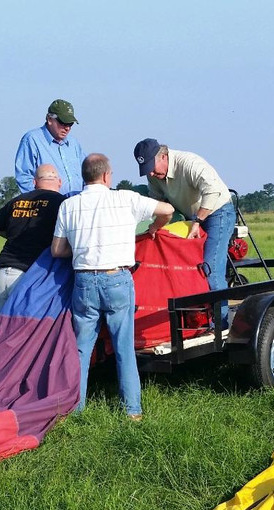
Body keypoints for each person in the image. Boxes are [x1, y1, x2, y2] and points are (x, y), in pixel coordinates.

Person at [51, 153, 173, 420]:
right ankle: (132, 411)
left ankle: (75, 410)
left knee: (82, 349)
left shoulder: (68, 206)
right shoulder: (125, 198)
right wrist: (154, 227)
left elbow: (58, 250)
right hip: (117, 278)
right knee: (123, 346)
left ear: (85, 176)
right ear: (107, 176)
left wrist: (84, 245)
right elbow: (168, 210)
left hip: (83, 280)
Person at [133, 138, 236, 326]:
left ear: (163, 156)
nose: (151, 173)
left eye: (152, 167)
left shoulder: (189, 163)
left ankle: (220, 326)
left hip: (217, 212)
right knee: (187, 269)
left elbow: (213, 192)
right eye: (146, 169)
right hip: (191, 217)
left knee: (209, 268)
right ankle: (197, 321)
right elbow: (157, 203)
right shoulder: (153, 175)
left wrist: (198, 221)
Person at [0, 164, 65, 324]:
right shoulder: (62, 203)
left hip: (2, 273)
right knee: (22, 337)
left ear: (34, 182)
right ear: (59, 182)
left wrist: (15, 236)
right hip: (30, 277)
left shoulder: (17, 201)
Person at [14, 99, 87, 197]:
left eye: (70, 124)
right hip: (48, 207)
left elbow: (87, 173)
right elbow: (24, 178)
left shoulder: (73, 143)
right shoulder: (32, 140)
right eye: (63, 123)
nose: (67, 128)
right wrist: (40, 202)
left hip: (75, 206)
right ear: (49, 119)